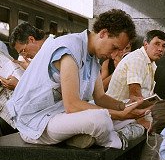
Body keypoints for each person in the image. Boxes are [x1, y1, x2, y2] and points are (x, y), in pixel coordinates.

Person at [6, 9, 147, 150]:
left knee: (129, 114)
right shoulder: (70, 49)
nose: (114, 55)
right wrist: (119, 115)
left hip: (60, 115)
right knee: (101, 119)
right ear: (103, 33)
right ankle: (112, 140)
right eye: (114, 47)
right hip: (37, 122)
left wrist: (127, 107)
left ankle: (82, 137)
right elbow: (72, 105)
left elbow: (101, 97)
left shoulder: (93, 57)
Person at [106, 30, 165, 160]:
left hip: (129, 108)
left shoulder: (150, 64)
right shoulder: (137, 59)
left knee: (164, 116)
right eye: (156, 44)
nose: (160, 49)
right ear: (145, 44)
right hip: (118, 111)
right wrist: (141, 119)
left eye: (164, 46)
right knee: (159, 123)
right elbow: (135, 94)